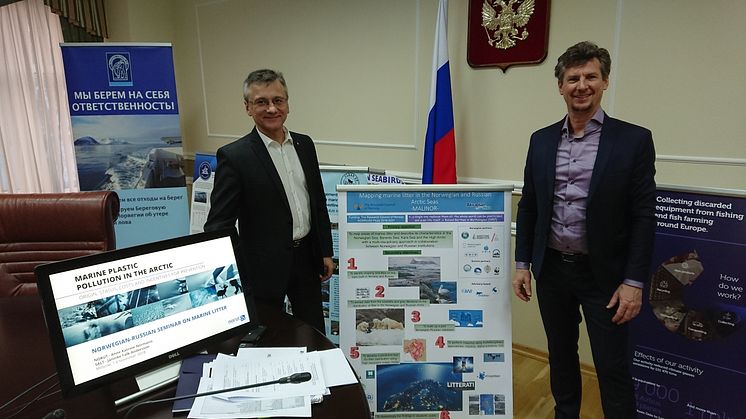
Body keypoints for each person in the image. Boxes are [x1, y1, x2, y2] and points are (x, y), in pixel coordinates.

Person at [512, 41, 656, 418]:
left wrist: (634, 282)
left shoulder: (634, 140)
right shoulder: (541, 140)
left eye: (590, 76)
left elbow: (643, 215)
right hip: (553, 271)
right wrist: (523, 262)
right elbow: (529, 204)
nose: (581, 85)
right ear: (560, 86)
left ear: (604, 82)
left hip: (605, 277)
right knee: (560, 357)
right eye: (572, 78)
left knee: (611, 367)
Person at [204, 69, 334, 334]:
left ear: (288, 103)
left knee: (313, 334)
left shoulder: (305, 145)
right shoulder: (235, 156)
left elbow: (317, 201)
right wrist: (237, 272)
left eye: (278, 100)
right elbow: (219, 225)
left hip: (307, 260)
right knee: (266, 339)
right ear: (248, 108)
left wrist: (325, 251)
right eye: (261, 102)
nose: (272, 108)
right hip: (261, 269)